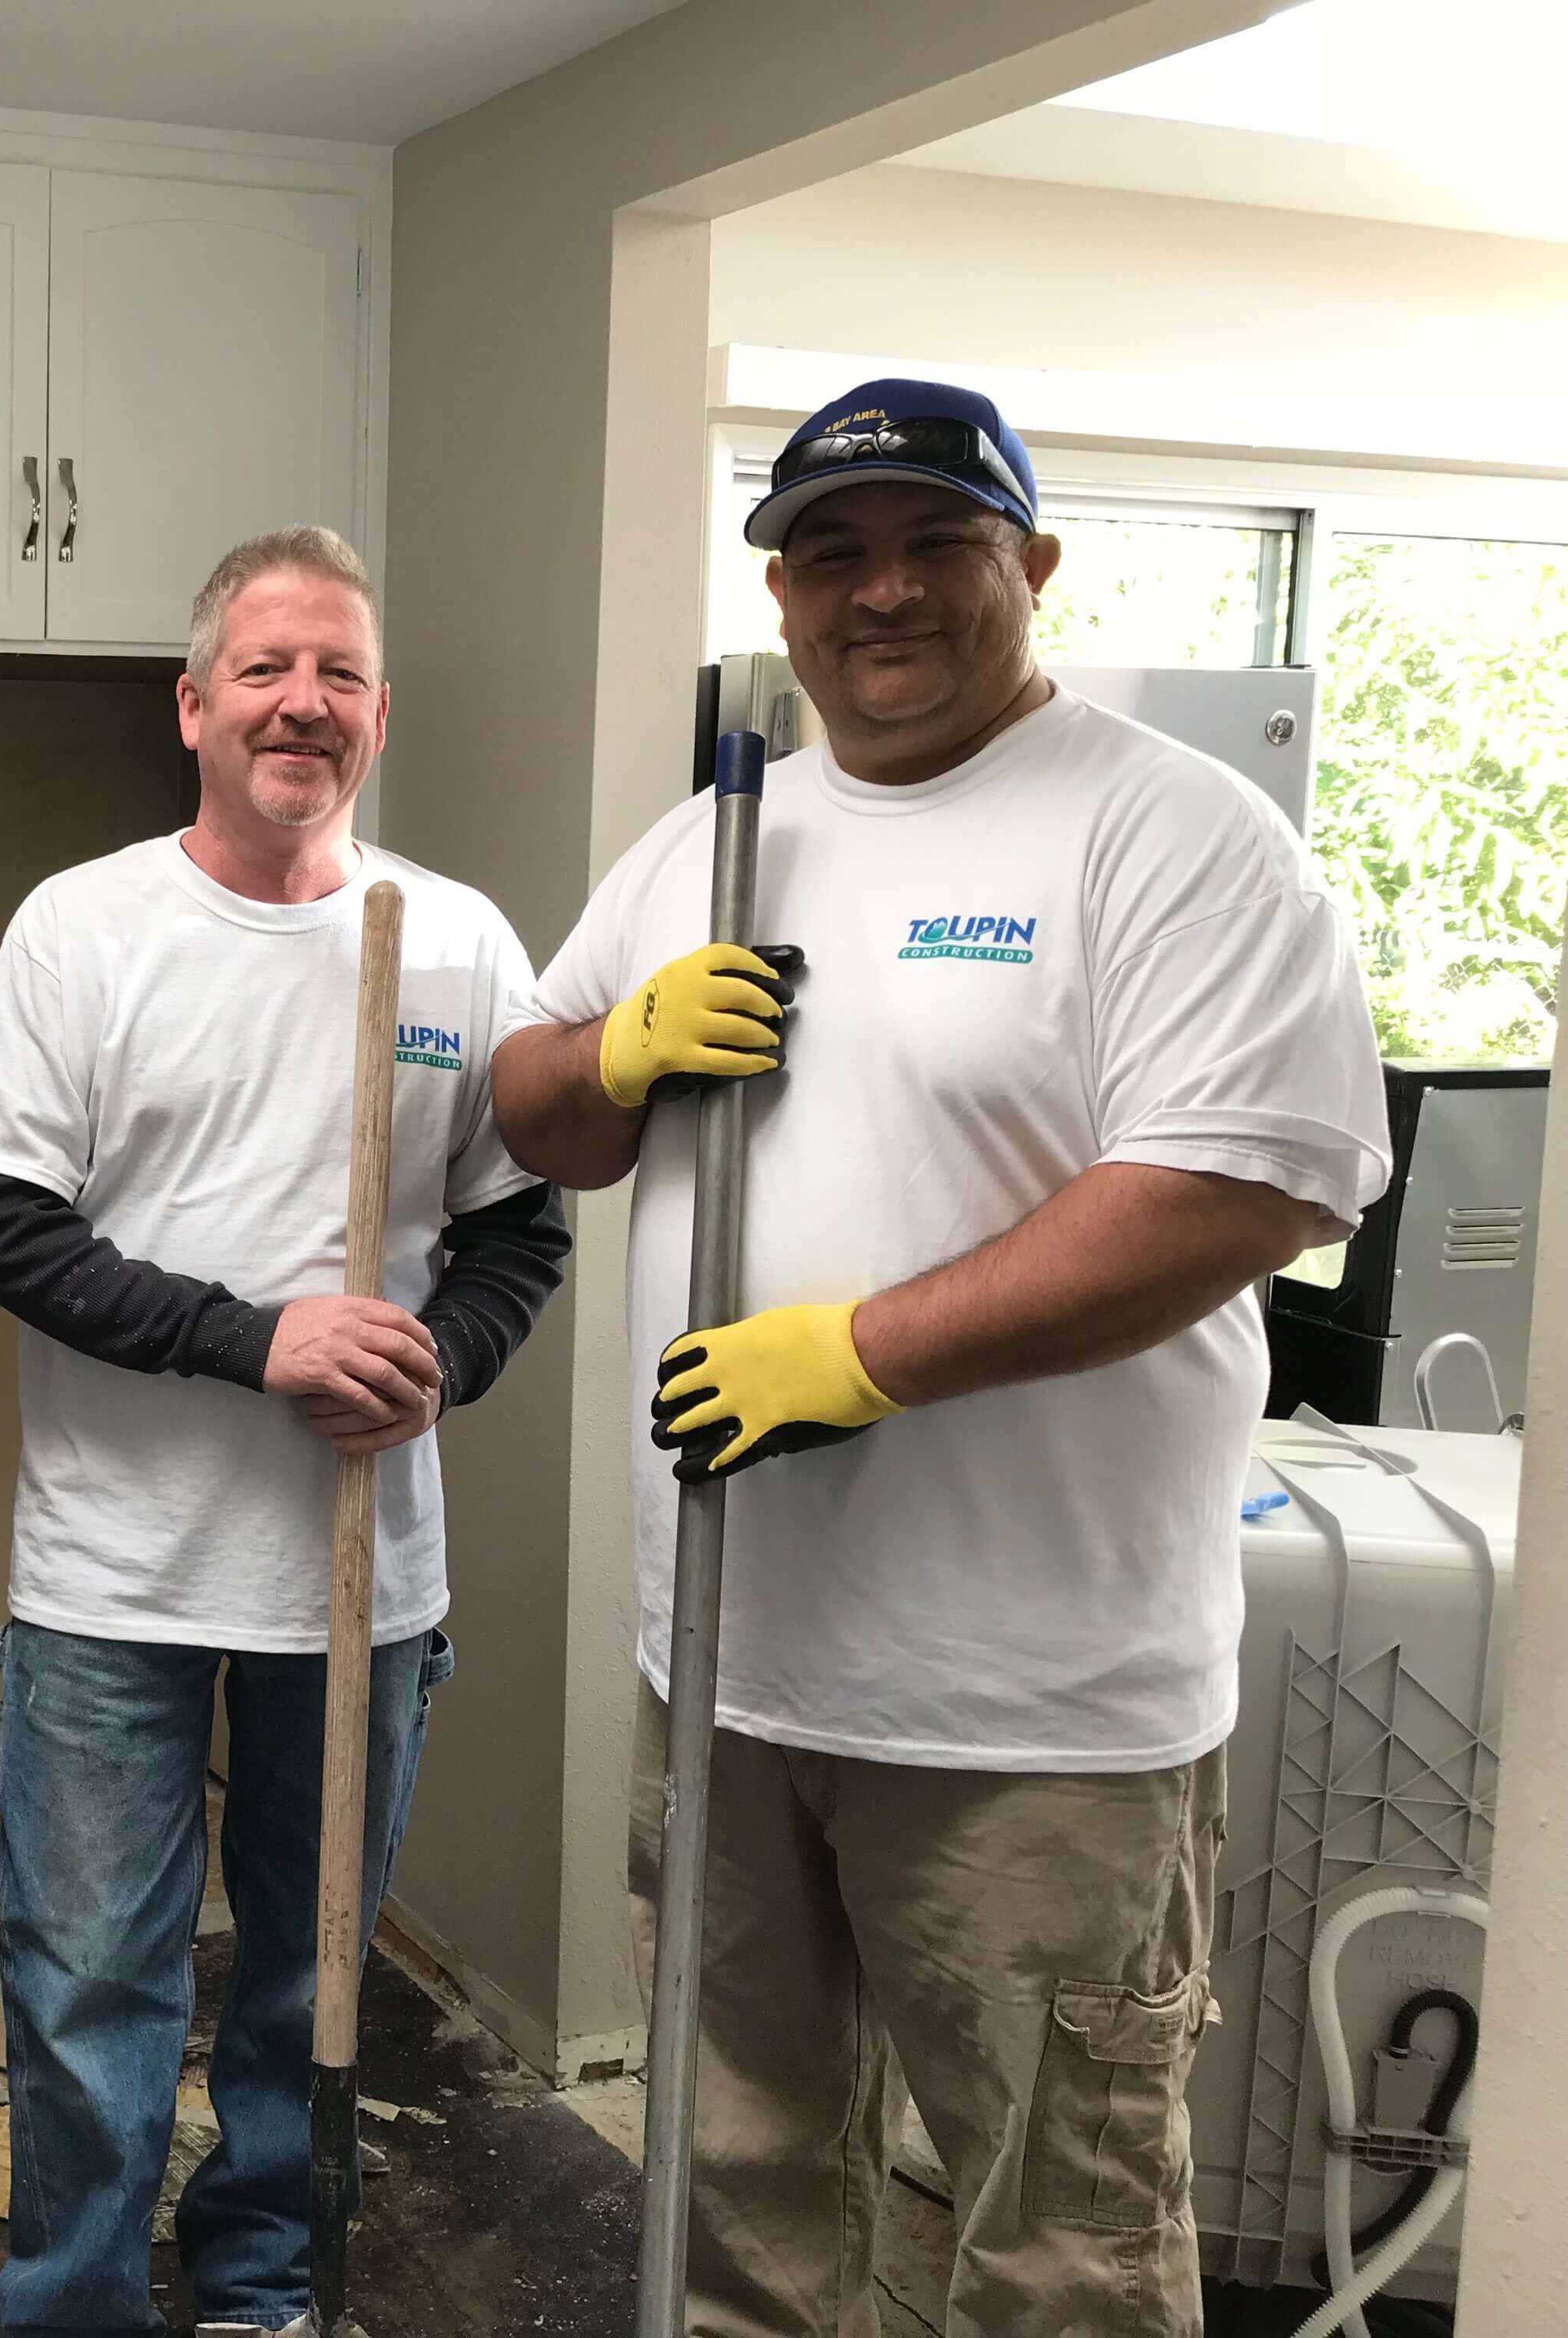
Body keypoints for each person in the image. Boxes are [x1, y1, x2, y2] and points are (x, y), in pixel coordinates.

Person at [496, 380, 1392, 2336]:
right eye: (834, 552)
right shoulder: (706, 848)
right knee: (733, 2179)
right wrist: (617, 1051)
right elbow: (534, 1114)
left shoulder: (1174, 836)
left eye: (935, 543)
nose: (881, 591)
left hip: (1033, 1717)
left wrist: (865, 1357)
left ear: (1031, 565)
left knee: (1050, 2233)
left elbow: (1241, 1192)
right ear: (782, 590)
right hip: (726, 1662)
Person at [0, 525, 570, 2338]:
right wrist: (255, 1342)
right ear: (195, 702)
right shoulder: (87, 923)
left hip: (360, 1583)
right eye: (269, 669)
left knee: (307, 1987)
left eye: (343, 675)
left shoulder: (455, 939)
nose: (306, 702)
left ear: (382, 716)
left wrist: (435, 1353)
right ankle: (69, 2305)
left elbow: (521, 1226)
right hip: (112, 1581)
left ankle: (264, 2281)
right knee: (87, 1985)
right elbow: (0, 1226)